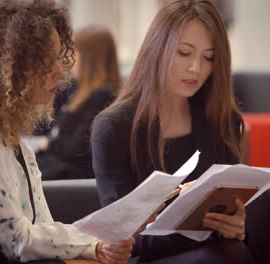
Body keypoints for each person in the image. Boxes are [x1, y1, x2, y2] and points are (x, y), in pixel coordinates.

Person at [0, 0, 135, 263]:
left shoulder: (12, 142)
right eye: (48, 61)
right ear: (10, 67)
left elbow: (39, 225)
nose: (60, 72)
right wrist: (91, 243)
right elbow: (17, 240)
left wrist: (95, 246)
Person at [91, 0, 247, 261]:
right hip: (148, 258)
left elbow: (231, 214)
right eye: (184, 53)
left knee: (232, 251)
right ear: (157, 49)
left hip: (216, 254)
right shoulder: (113, 128)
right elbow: (123, 237)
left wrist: (236, 228)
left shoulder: (223, 120)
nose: (196, 68)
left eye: (209, 58)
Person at [37, 26, 121, 180]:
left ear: (90, 58)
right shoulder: (81, 92)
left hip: (72, 174)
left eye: (75, 53)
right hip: (62, 167)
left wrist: (49, 144)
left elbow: (80, 147)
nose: (70, 60)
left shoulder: (104, 96)